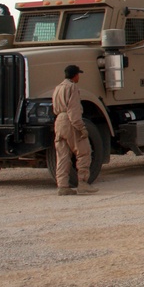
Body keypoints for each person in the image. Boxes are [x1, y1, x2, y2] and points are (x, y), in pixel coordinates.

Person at [52, 64, 98, 196]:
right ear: (75, 75)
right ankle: (83, 183)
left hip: (59, 121)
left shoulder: (58, 88)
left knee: (62, 155)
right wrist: (81, 128)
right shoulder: (72, 87)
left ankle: (62, 186)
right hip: (70, 121)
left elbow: (55, 108)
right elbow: (74, 110)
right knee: (84, 151)